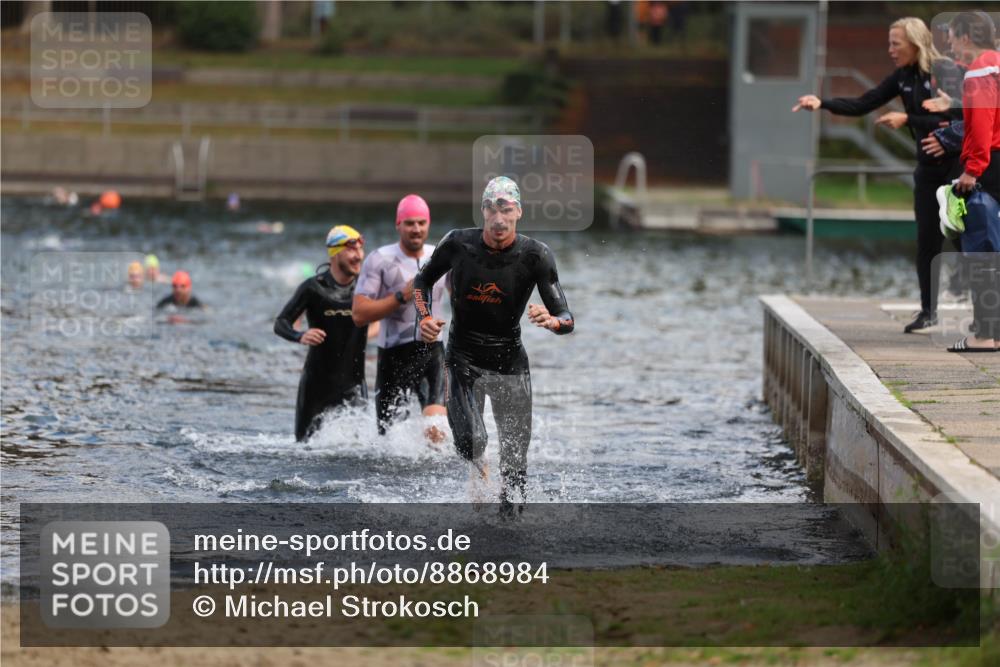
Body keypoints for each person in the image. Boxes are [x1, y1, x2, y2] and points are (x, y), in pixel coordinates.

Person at [412, 177, 575, 509]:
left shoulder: (536, 256)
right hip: (462, 358)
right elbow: (422, 280)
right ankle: (477, 468)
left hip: (510, 360)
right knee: (473, 442)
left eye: (507, 209)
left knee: (516, 468)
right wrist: (425, 317)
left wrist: (553, 321)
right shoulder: (458, 244)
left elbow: (566, 317)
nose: (499, 218)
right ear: (483, 211)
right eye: (492, 209)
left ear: (518, 212)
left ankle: (510, 535)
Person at [793, 17, 963, 333]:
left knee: (968, 241)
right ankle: (929, 311)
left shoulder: (947, 71)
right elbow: (863, 103)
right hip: (927, 171)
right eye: (889, 43)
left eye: (895, 43)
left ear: (914, 42)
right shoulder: (902, 77)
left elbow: (964, 116)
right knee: (927, 242)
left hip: (958, 170)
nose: (890, 50)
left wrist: (908, 119)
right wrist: (821, 103)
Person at [353, 194, 449, 442]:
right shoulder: (380, 259)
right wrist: (399, 296)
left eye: (421, 222)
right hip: (393, 356)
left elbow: (463, 300)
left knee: (436, 432)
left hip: (433, 353)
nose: (416, 229)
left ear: (428, 224)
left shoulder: (441, 256)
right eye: (409, 223)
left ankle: (434, 480)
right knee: (390, 442)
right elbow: (359, 314)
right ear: (398, 225)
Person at [274, 225, 371, 441]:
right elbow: (280, 323)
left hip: (354, 388)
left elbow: (387, 315)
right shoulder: (313, 288)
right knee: (305, 451)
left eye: (360, 250)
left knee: (359, 453)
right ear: (335, 253)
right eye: (352, 250)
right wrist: (300, 336)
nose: (359, 256)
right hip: (315, 390)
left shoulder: (366, 288)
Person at [944, 12, 1000, 352]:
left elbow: (980, 122)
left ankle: (983, 335)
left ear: (966, 36)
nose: (950, 46)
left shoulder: (979, 70)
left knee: (981, 250)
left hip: (990, 165)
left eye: (951, 37)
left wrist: (972, 170)